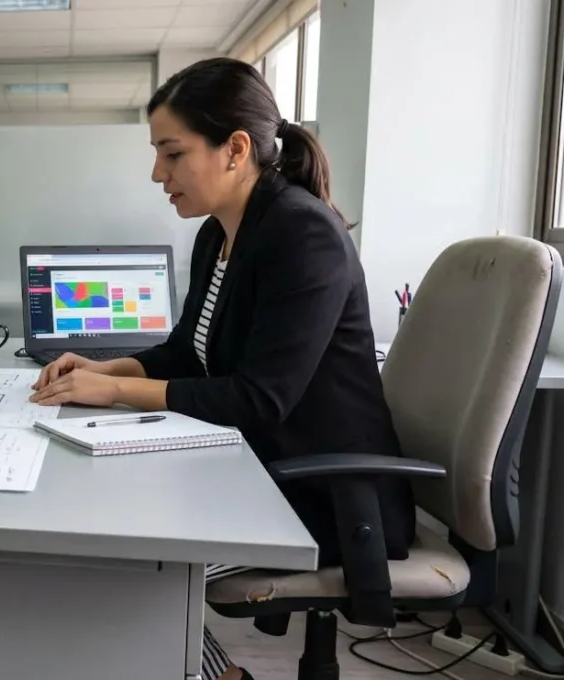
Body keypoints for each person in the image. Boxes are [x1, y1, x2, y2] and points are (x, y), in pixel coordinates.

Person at [30, 57, 417, 680]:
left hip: (320, 494)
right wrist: (104, 366)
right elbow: (190, 350)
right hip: (251, 472)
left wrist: (117, 391)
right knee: (104, 545)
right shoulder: (220, 233)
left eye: (172, 153)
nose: (157, 173)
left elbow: (260, 401)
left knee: (117, 567)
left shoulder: (302, 235)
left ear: (235, 149)